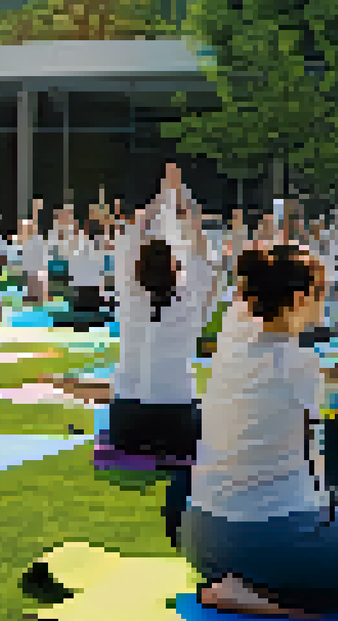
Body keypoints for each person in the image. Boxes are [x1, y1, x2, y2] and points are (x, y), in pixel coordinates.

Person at [178, 243, 338, 617]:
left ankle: (249, 587)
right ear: (300, 298)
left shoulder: (230, 344)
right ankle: (277, 600)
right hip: (265, 540)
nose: (326, 303)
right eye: (323, 293)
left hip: (201, 540)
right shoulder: (298, 364)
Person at [110, 166, 224, 545]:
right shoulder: (190, 301)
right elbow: (203, 253)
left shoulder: (129, 298)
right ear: (176, 269)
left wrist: (162, 198)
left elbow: (130, 237)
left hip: (127, 425)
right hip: (177, 424)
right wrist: (184, 203)